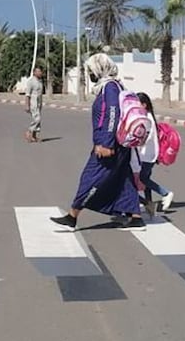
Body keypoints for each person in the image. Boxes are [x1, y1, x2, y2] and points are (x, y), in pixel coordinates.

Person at [50, 54, 145, 231]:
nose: (90, 74)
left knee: (90, 177)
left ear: (99, 69)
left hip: (110, 144)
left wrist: (105, 143)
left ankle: (72, 216)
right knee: (124, 178)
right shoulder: (115, 85)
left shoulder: (109, 87)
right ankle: (136, 217)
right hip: (120, 145)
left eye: (91, 70)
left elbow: (111, 115)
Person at [130, 92, 173, 216]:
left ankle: (165, 193)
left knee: (142, 179)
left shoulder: (146, 118)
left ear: (144, 104)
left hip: (146, 155)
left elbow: (144, 138)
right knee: (145, 180)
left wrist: (134, 144)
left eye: (138, 104)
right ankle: (149, 205)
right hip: (149, 155)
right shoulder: (148, 116)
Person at [24, 66, 44, 142]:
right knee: (37, 119)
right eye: (38, 71)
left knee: (38, 120)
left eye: (40, 71)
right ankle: (29, 131)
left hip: (39, 103)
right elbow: (27, 95)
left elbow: (40, 94)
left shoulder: (40, 81)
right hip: (33, 103)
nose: (39, 73)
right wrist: (27, 105)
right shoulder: (31, 81)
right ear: (34, 72)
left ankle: (34, 136)